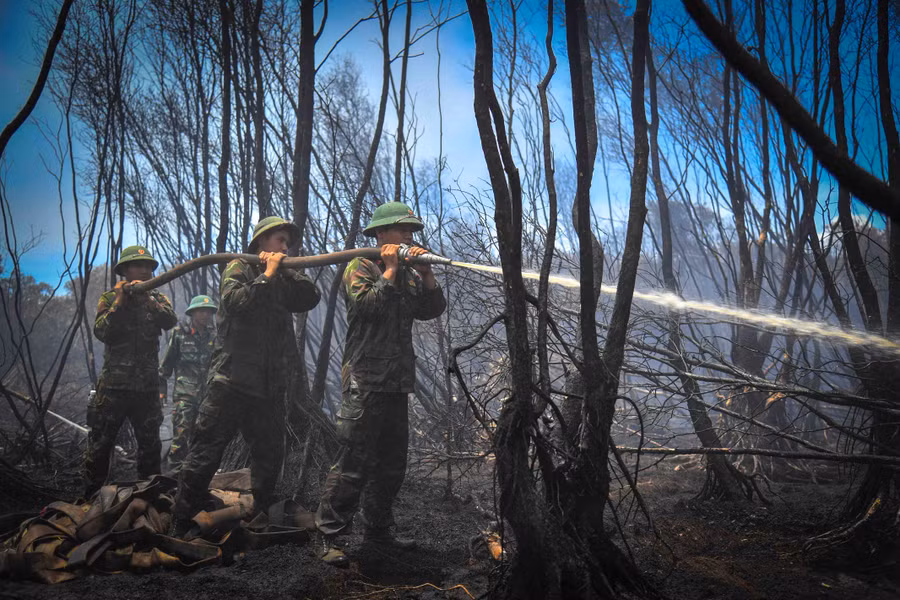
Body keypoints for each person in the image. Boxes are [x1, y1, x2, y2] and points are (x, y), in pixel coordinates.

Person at [315, 202, 447, 567]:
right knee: (353, 463)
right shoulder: (360, 266)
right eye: (402, 229)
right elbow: (367, 308)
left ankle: (378, 530)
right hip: (365, 381)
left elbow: (430, 310)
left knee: (392, 464)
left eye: (411, 230)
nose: (409, 235)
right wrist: (389, 270)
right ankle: (329, 537)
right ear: (381, 233)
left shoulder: (406, 272)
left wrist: (426, 273)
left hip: (397, 382)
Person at [172, 217, 320, 536]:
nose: (285, 247)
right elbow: (236, 302)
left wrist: (284, 269)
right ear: (262, 241)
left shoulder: (284, 276)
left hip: (267, 388)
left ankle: (262, 514)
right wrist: (266, 274)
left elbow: (310, 297)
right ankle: (181, 518)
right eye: (280, 240)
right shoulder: (238, 267)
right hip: (231, 382)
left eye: (287, 243)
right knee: (206, 451)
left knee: (269, 453)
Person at [86, 245, 178, 497]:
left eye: (148, 266)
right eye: (138, 266)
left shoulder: (158, 299)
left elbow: (170, 321)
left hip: (147, 388)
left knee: (150, 447)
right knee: (100, 446)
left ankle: (149, 497)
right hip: (114, 387)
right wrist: (120, 302)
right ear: (125, 270)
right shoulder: (108, 299)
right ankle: (91, 497)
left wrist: (146, 297)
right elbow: (103, 332)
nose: (145, 270)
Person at [159, 295, 218, 471]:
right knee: (180, 438)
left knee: (203, 440)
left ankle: (195, 479)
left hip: (207, 397)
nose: (205, 315)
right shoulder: (179, 334)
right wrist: (161, 391)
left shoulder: (214, 337)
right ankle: (172, 479)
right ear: (192, 313)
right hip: (185, 396)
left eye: (208, 311)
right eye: (201, 311)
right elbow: (165, 367)